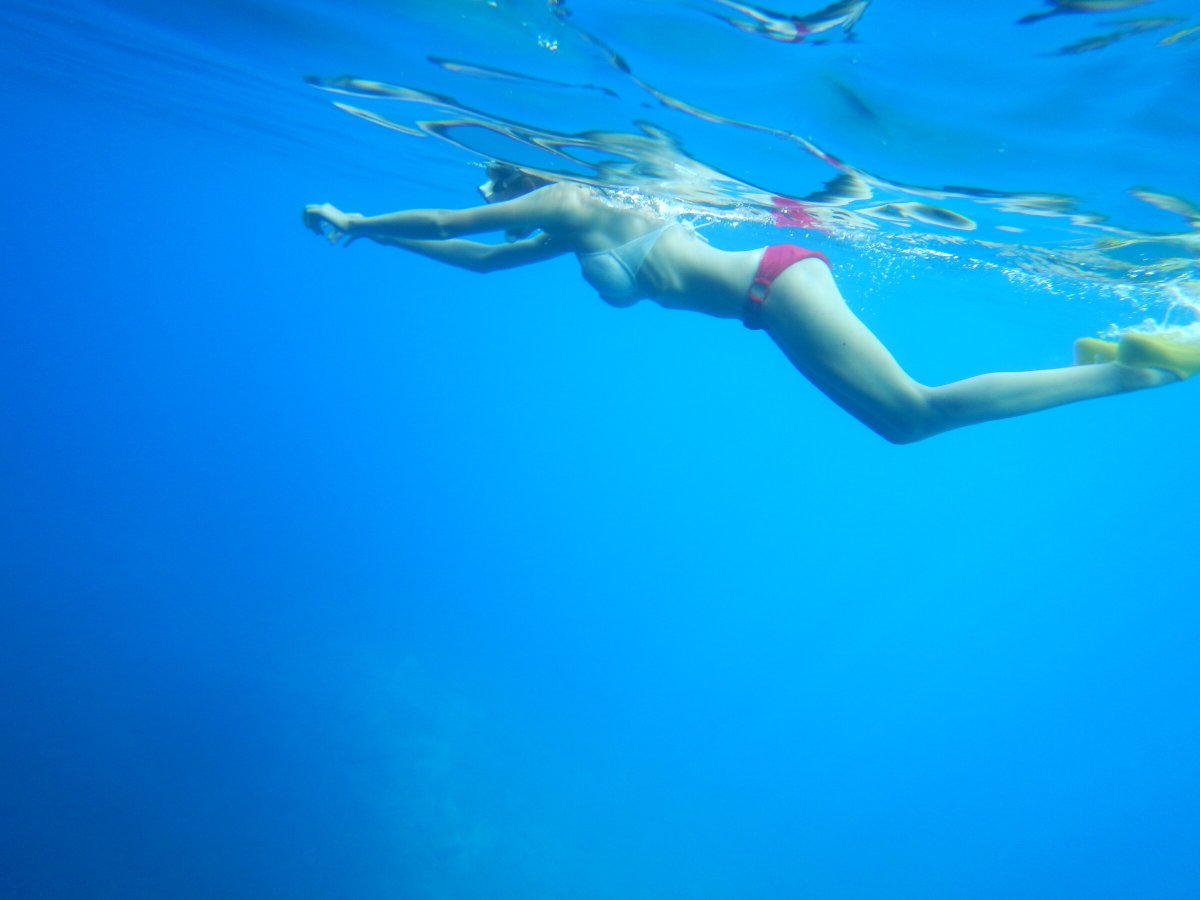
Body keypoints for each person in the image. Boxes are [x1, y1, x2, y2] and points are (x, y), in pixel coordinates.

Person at [302, 162, 1198, 444]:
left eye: (498, 172)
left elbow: (457, 217)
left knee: (911, 416)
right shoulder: (571, 227)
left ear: (522, 168)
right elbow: (474, 259)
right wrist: (366, 237)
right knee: (906, 419)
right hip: (773, 287)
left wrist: (359, 214)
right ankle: (1128, 366)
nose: (492, 189)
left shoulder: (564, 200)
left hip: (774, 286)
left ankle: (1143, 365)